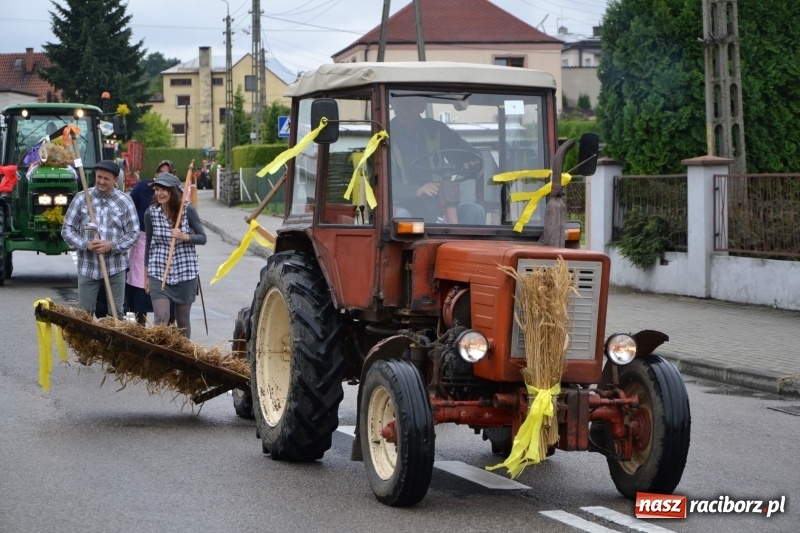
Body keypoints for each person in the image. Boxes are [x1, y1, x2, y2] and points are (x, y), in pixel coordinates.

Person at [389, 96, 484, 224]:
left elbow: (460, 150)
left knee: (474, 211)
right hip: (403, 206)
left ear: (422, 106)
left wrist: (470, 161)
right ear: (393, 105)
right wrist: (417, 190)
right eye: (400, 103)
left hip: (437, 205)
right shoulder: (383, 136)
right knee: (402, 218)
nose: (405, 108)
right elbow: (382, 186)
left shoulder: (435, 129)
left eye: (411, 103)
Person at [61, 159, 138, 317]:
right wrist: (85, 244)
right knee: (84, 314)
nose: (101, 181)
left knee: (116, 314)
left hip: (115, 266)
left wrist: (112, 246)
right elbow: (67, 229)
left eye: (106, 179)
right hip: (88, 267)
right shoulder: (82, 198)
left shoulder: (125, 201)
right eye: (99, 177)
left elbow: (134, 233)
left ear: (116, 179)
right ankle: (84, 341)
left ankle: (113, 341)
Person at [144, 172, 207, 338]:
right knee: (161, 317)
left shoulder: (187, 211)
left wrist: (185, 236)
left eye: (164, 189)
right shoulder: (150, 214)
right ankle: (158, 356)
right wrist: (146, 276)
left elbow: (202, 238)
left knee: (182, 320)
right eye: (157, 189)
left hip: (185, 271)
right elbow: (148, 245)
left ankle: (182, 357)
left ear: (174, 191)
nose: (159, 193)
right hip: (159, 271)